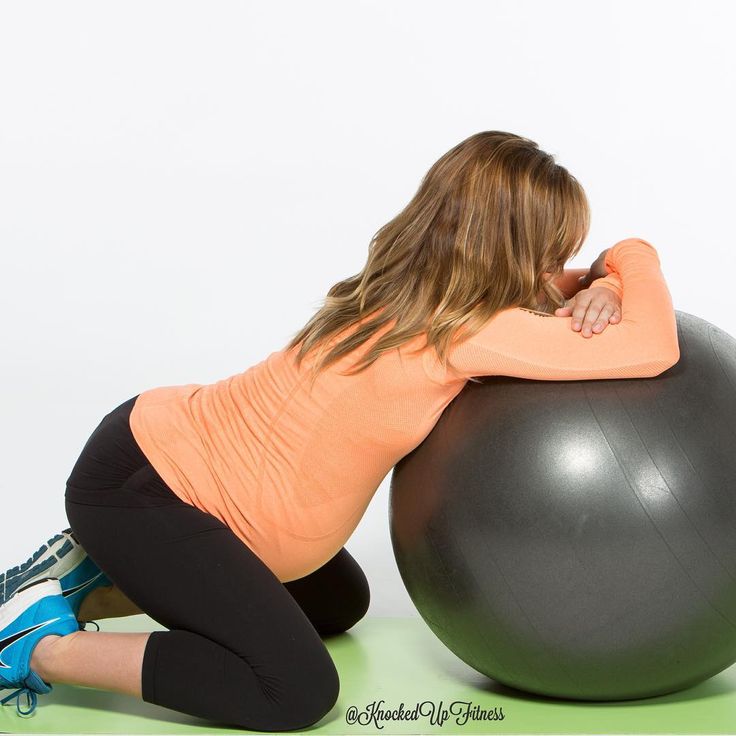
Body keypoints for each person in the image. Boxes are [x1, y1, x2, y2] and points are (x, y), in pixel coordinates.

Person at [0, 130, 679, 729]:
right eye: (548, 252)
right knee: (290, 689)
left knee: (336, 600)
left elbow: (560, 289)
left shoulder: (405, 289)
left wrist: (602, 285)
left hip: (153, 451)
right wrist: (628, 260)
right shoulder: (467, 332)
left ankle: (86, 575)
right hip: (148, 488)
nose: (553, 271)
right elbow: (655, 344)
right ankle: (32, 644)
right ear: (509, 249)